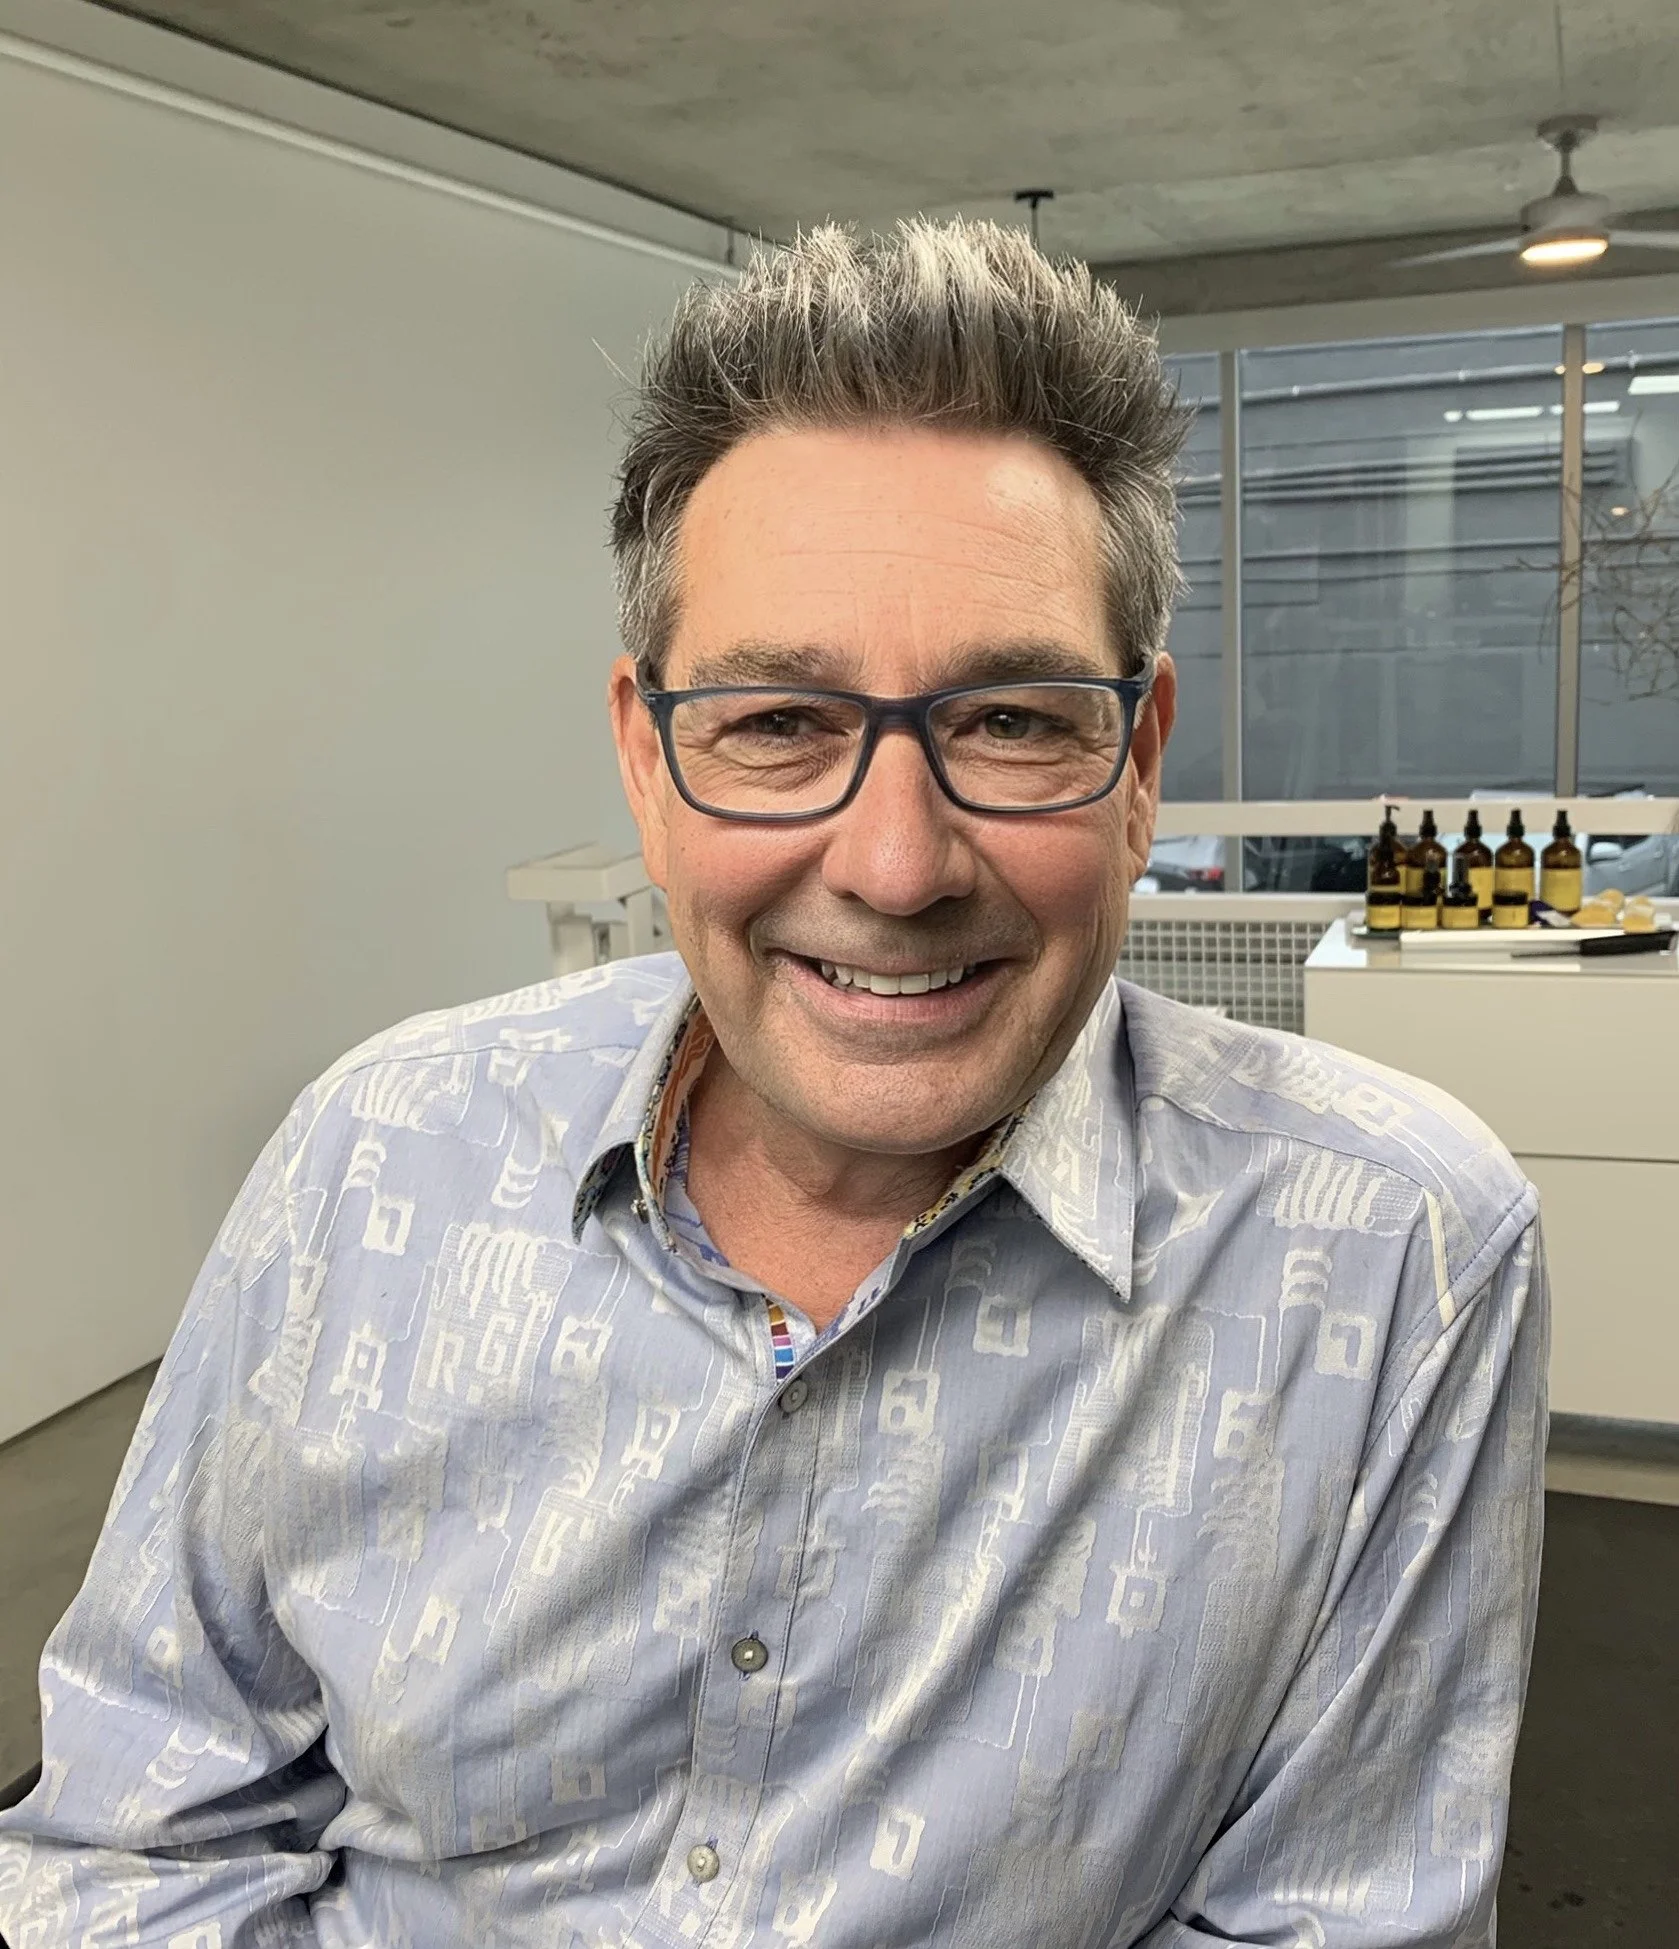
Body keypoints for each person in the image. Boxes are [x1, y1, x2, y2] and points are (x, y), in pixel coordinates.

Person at [0, 219, 1546, 1949]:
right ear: (645, 762)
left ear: (1139, 767)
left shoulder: (1389, 1250)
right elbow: (136, 1841)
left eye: (1014, 721)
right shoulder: (377, 1156)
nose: (894, 867)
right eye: (776, 725)